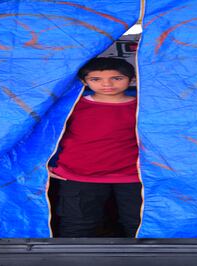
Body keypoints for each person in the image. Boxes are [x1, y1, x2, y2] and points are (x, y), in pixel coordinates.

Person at [49, 57, 141, 237]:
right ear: (84, 81)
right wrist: (44, 163)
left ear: (132, 80)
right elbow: (46, 136)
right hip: (78, 174)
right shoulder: (72, 106)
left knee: (137, 224)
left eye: (117, 78)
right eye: (96, 79)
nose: (107, 84)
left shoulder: (143, 107)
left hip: (133, 175)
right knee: (78, 224)